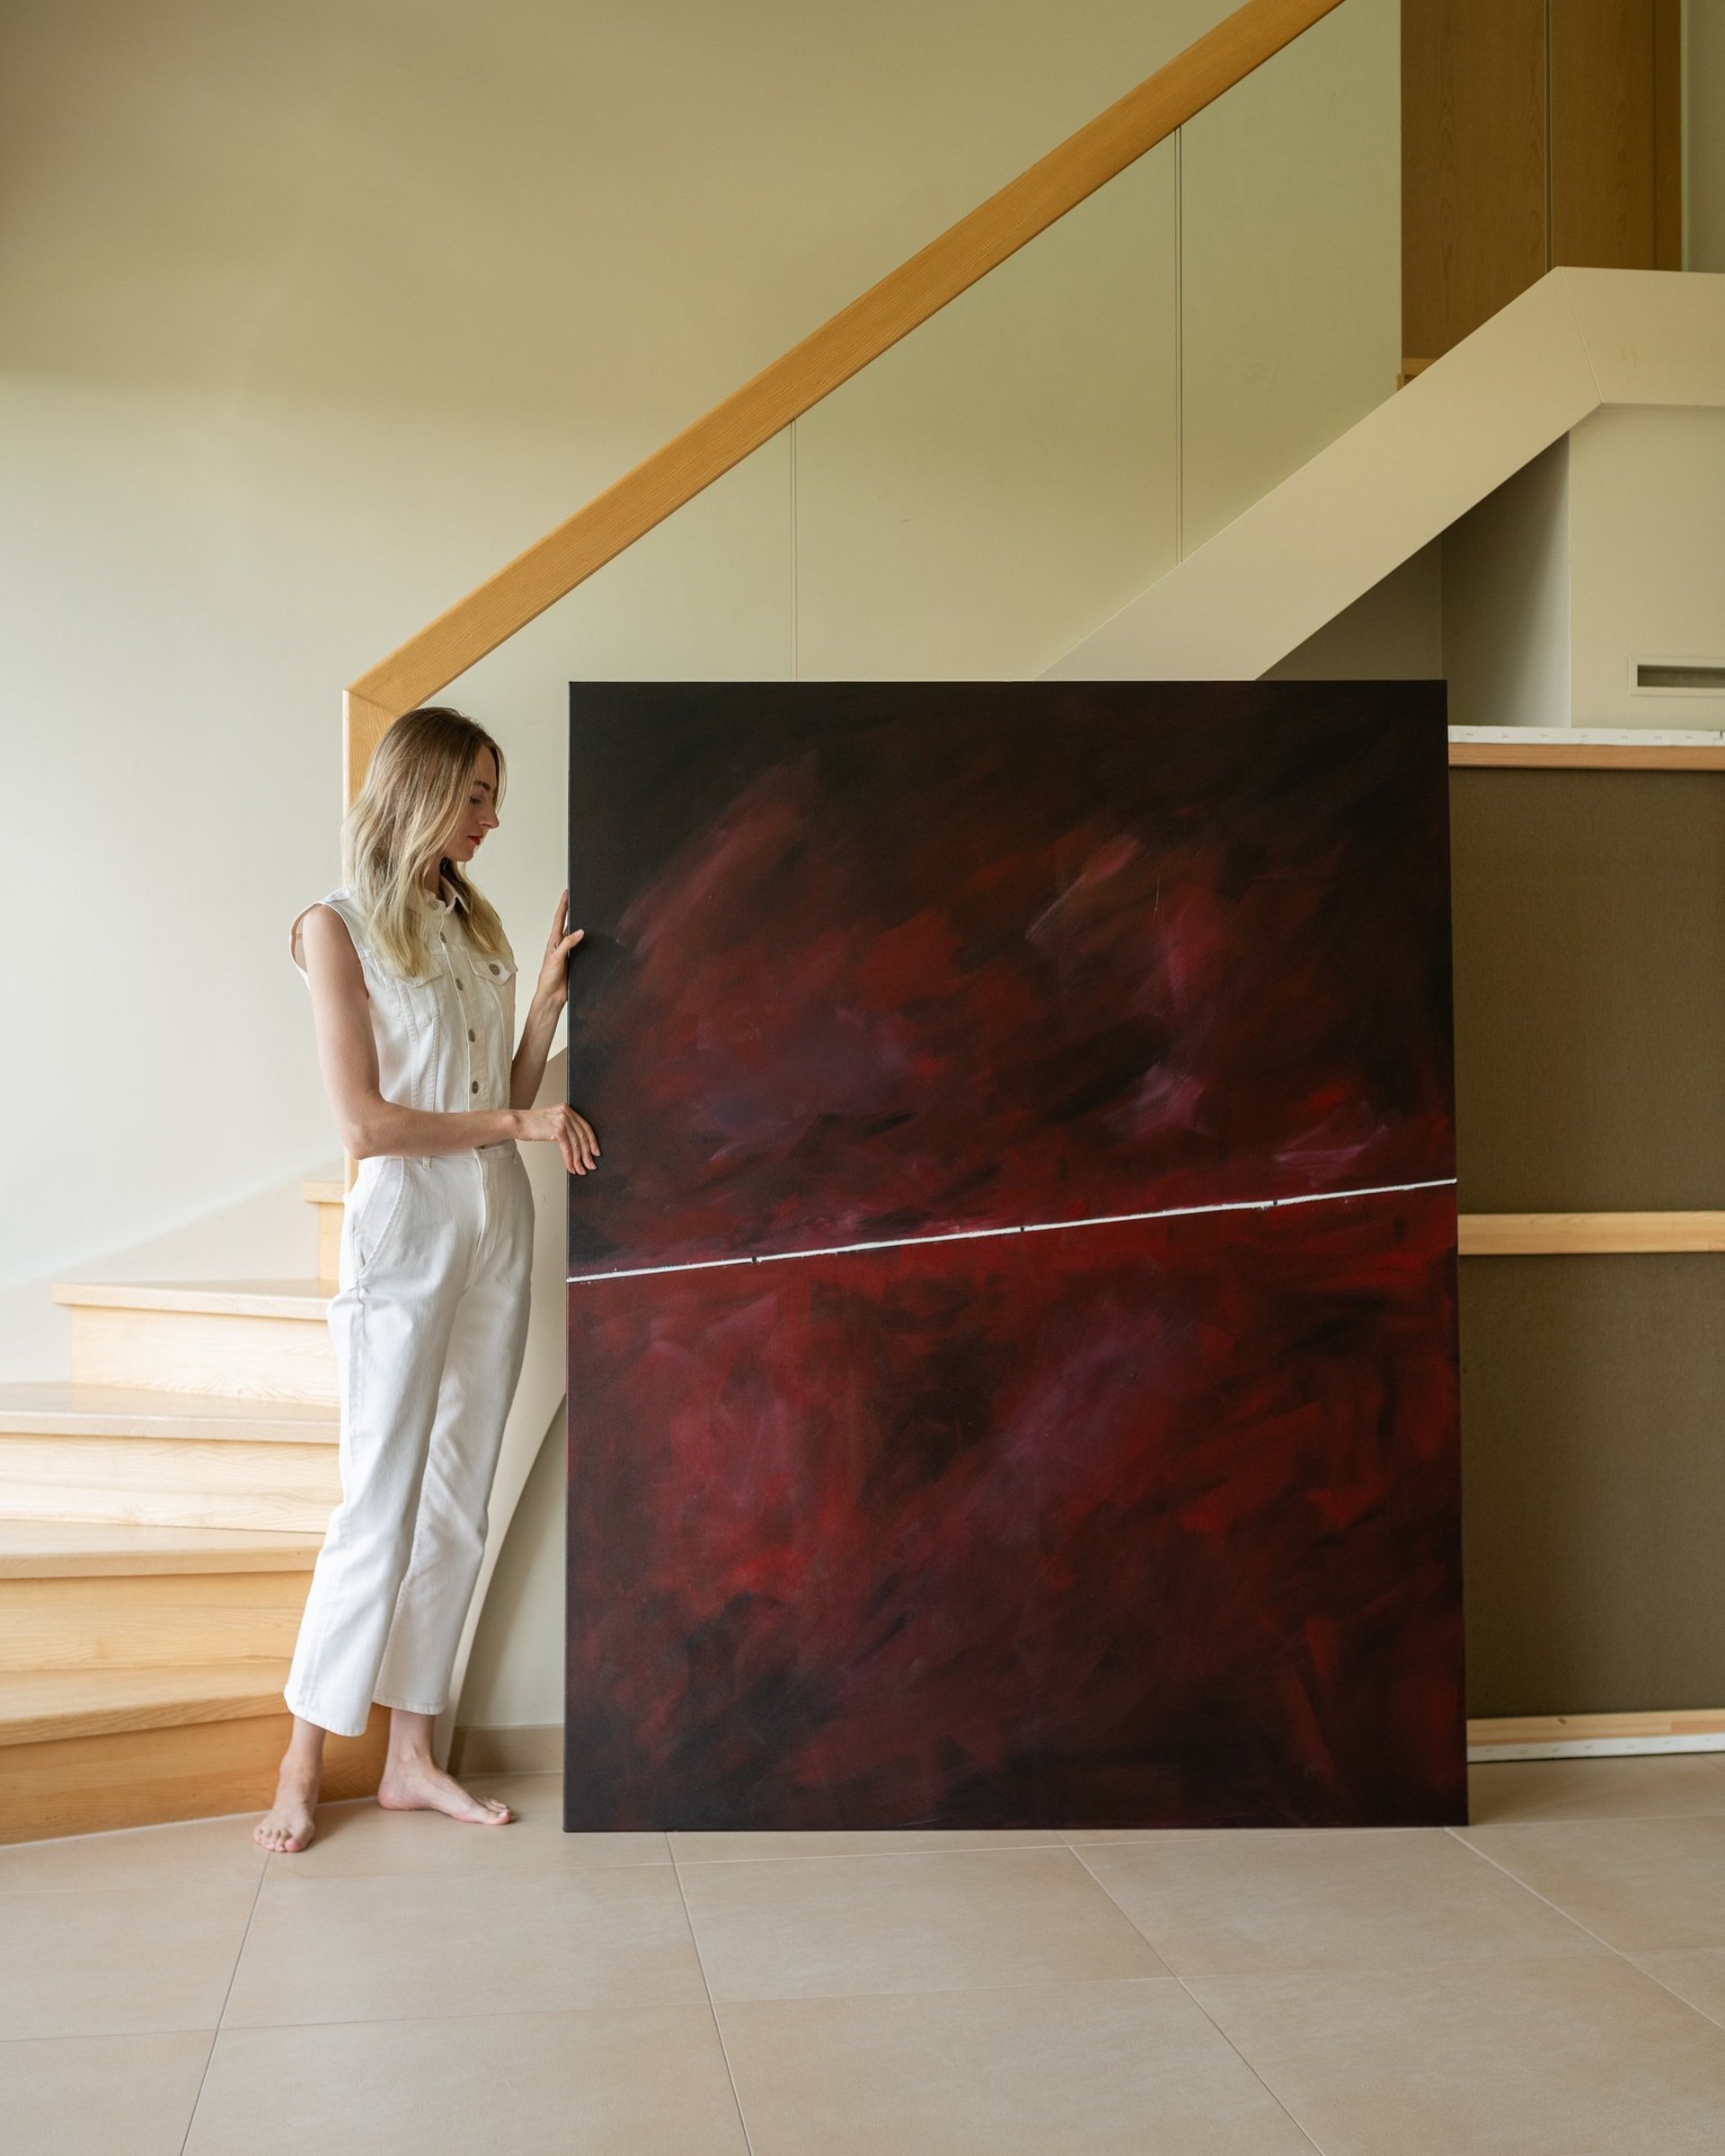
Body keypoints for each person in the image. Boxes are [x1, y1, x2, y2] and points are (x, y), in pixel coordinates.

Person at [254, 705, 599, 1854]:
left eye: (496, 797)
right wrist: (518, 1116)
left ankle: (413, 1757)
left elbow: (491, 1086)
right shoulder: (335, 928)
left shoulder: (475, 925)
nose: (494, 818)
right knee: (380, 1501)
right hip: (405, 1231)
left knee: (460, 1500)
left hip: (493, 1218)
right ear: (420, 791)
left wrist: (545, 1000)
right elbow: (364, 1123)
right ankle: (301, 1762)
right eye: (476, 797)